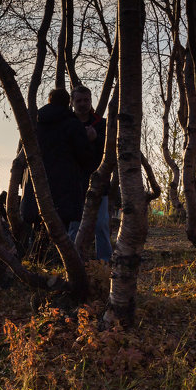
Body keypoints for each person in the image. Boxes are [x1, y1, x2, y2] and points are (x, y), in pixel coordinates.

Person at [21, 88, 95, 246]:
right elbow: (85, 156)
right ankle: (58, 263)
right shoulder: (72, 124)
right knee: (61, 232)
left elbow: (22, 152)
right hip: (65, 186)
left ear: (49, 101)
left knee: (38, 228)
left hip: (35, 183)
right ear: (69, 102)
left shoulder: (33, 123)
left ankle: (37, 260)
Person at [72, 85, 113, 261]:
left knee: (101, 224)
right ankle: (73, 262)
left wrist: (96, 139)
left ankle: (105, 262)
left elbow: (110, 150)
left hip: (99, 182)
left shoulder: (101, 124)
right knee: (74, 224)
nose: (82, 104)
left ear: (91, 101)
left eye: (86, 100)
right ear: (72, 102)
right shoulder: (68, 124)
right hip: (72, 182)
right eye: (78, 100)